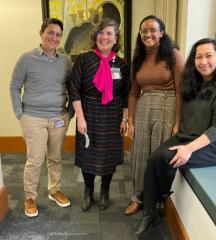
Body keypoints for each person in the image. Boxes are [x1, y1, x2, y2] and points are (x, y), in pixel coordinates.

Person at [135, 38, 216, 236]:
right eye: (199, 57)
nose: (203, 61)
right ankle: (151, 210)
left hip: (215, 146)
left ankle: (154, 205)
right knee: (153, 159)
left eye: (209, 56)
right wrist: (180, 131)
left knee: (167, 158)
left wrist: (189, 149)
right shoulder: (197, 80)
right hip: (189, 135)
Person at [10, 18, 72, 218]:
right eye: (50, 33)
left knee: (55, 157)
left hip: (58, 118)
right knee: (35, 159)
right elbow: (14, 87)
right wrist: (20, 114)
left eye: (58, 34)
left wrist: (69, 113)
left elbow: (73, 88)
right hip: (33, 117)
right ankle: (30, 197)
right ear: (41, 33)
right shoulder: (26, 59)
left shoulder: (65, 60)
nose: (54, 37)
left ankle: (54, 190)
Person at [68, 18, 130, 211]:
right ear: (95, 36)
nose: (104, 37)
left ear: (116, 38)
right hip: (89, 114)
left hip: (112, 116)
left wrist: (124, 119)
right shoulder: (84, 59)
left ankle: (104, 191)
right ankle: (88, 190)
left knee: (108, 156)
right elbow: (74, 89)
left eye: (109, 33)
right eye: (101, 32)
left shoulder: (121, 63)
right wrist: (80, 117)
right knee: (88, 155)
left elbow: (126, 94)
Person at [125, 15, 184, 215]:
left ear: (161, 33)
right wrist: (130, 120)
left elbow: (181, 91)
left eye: (152, 30)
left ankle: (156, 200)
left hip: (167, 108)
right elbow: (133, 93)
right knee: (140, 155)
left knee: (157, 156)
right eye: (144, 31)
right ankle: (138, 197)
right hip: (143, 108)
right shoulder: (138, 59)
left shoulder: (173, 56)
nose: (148, 34)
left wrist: (178, 121)